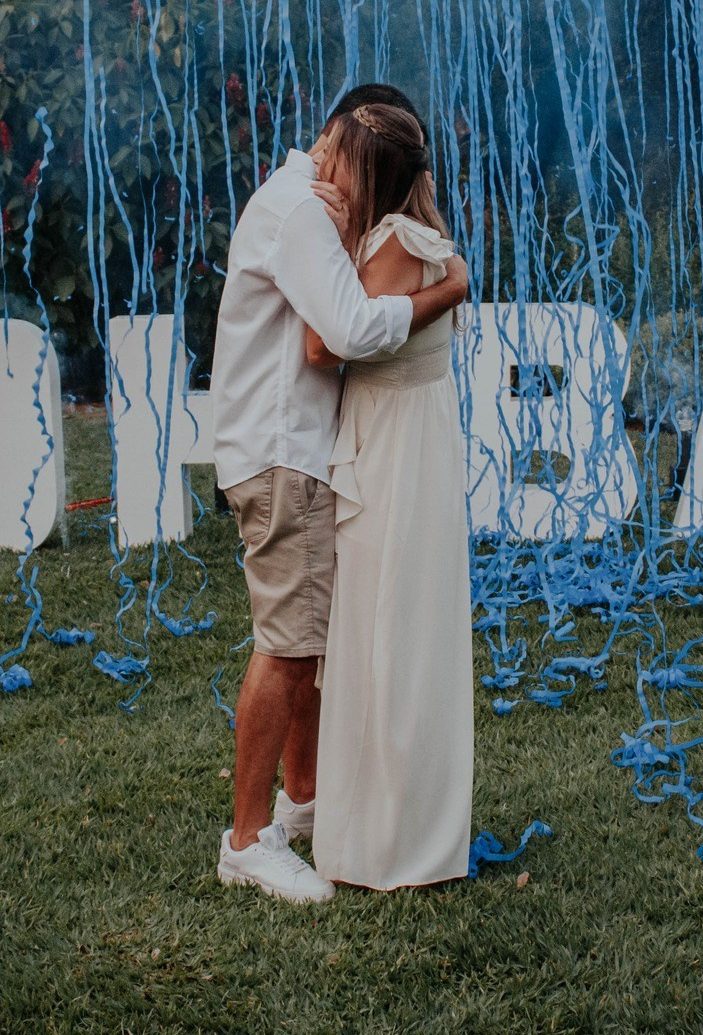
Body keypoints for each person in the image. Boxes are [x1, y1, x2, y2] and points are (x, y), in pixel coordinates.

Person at [211, 84, 471, 905]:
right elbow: (346, 335)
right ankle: (248, 840)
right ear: (332, 138)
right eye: (352, 167)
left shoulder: (309, 204)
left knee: (310, 644)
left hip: (298, 450)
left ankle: (303, 804)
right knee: (287, 646)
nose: (351, 191)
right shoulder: (303, 212)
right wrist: (447, 290)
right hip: (281, 452)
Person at [304, 99, 474, 890]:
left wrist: (332, 239)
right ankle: (369, 822)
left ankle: (391, 839)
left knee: (392, 631)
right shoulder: (398, 239)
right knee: (377, 629)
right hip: (393, 438)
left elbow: (324, 343)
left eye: (340, 159)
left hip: (398, 454)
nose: (325, 171)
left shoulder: (396, 243)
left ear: (370, 177)